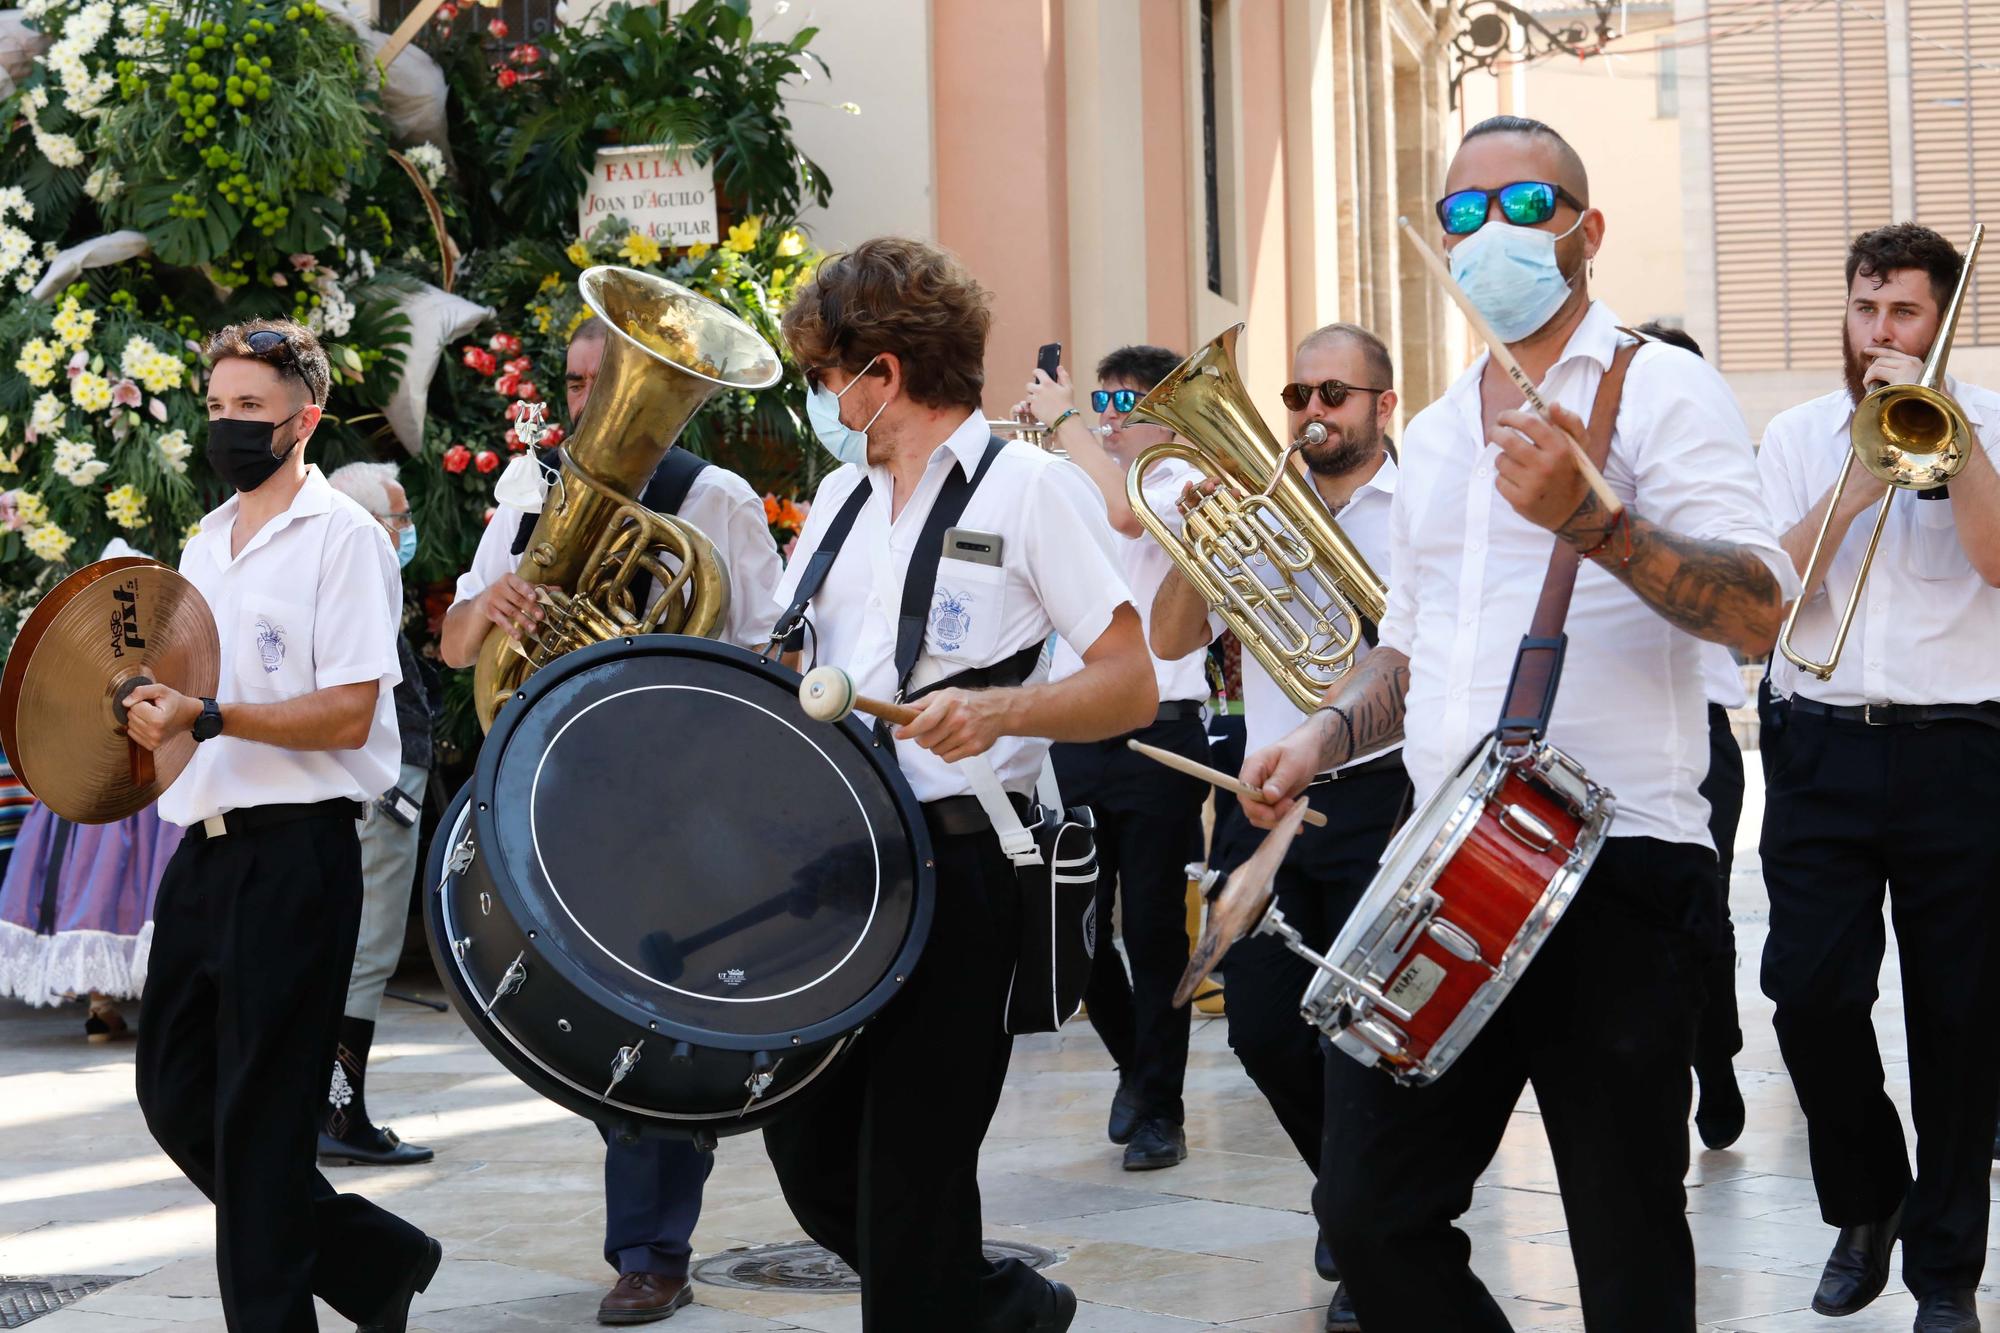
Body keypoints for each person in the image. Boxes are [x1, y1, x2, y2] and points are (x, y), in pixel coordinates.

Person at [1240, 117, 1793, 1332]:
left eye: (1523, 203)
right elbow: (1410, 646)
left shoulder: (1657, 388)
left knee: (1622, 1230)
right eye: (1461, 213)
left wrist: (1598, 524)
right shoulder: (1434, 434)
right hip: (1441, 868)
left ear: (1585, 231)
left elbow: (1759, 610)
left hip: (1616, 863)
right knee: (1369, 1213)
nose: (1490, 232)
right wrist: (1322, 736)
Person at [767, 236, 1156, 1330]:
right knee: (807, 1156)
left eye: (821, 373)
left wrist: (999, 709)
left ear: (879, 371)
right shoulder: (837, 505)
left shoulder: (1029, 488)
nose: (820, 398)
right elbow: (791, 667)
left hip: (964, 867)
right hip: (842, 874)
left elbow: (1127, 686)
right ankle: (1003, 1306)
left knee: (911, 1178)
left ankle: (959, 1300)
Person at [441, 313, 785, 1325]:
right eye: (581, 383)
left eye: (607, 381)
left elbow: (766, 646)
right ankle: (653, 1192)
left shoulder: (708, 499)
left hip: (676, 792)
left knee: (657, 1004)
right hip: (557, 792)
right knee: (587, 1010)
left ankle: (650, 1247)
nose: (589, 403)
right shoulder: (521, 497)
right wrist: (499, 602)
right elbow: (460, 647)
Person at [122, 318, 442, 1332]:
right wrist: (144, 710)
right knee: (175, 1097)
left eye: (247, 409)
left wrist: (212, 714)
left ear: (300, 419)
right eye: (216, 407)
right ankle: (372, 1259)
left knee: (260, 1127)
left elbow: (351, 708)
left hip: (298, 853)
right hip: (203, 852)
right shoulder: (204, 540)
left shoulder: (341, 537)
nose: (226, 426)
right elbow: (183, 700)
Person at [1755, 222, 2000, 1333]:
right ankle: (1867, 1202)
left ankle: (1943, 1270)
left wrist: (1952, 449)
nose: (1878, 333)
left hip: (1961, 745)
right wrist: (1859, 481)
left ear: (1945, 320)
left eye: (1901, 312)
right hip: (1819, 741)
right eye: (1864, 309)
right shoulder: (1798, 433)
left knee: (1959, 1014)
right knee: (1804, 991)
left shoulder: (1987, 424)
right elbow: (1768, 594)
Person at [1150, 321, 1405, 1333]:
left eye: (1333, 395)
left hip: (1384, 793)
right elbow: (1171, 640)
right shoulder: (1255, 502)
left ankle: (1361, 1228)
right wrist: (1194, 546)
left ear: (1381, 407)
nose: (1309, 413)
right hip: (1264, 805)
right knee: (1258, 1025)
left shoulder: (1418, 501)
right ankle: (1349, 1194)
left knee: (1359, 1038)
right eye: (1297, 393)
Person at [1013, 342, 1210, 1172]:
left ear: (1165, 414)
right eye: (1104, 401)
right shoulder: (1077, 478)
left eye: (1129, 404)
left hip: (1162, 725)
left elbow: (1127, 516)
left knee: (1158, 928)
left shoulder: (1174, 483)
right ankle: (1138, 1068)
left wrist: (1064, 422)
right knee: (1076, 927)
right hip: (1079, 722)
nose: (1109, 417)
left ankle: (1161, 1102)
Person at [1633, 321, 1749, 1153]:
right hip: (1620, 737)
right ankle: (1666, 1071)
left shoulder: (1715, 490)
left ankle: (1720, 1054)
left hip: (1703, 730)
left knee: (1705, 912)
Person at [319, 461, 436, 1168]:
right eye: (399, 518)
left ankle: (327, 1108)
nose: (406, 531)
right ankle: (340, 1111)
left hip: (366, 785)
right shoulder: (358, 576)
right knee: (367, 950)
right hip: (383, 785)